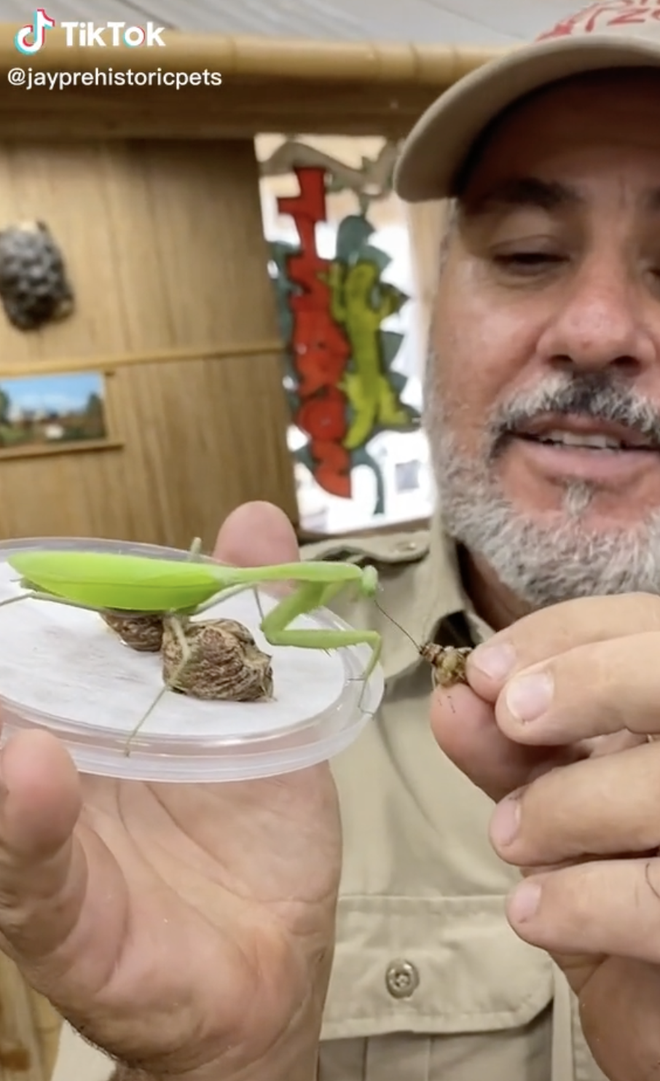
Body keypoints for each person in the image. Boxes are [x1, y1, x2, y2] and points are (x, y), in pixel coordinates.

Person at [8, 2, 660, 1080]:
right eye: (531, 251)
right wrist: (223, 1066)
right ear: (434, 304)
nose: (594, 329)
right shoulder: (251, 689)